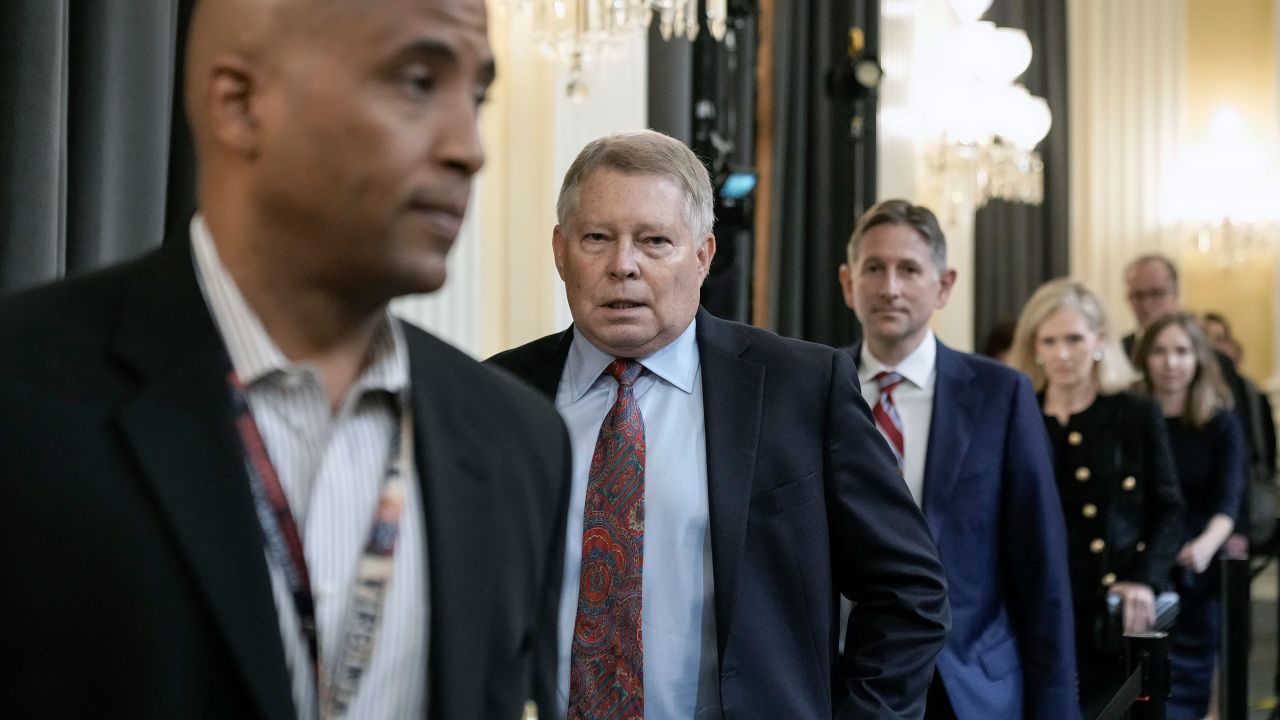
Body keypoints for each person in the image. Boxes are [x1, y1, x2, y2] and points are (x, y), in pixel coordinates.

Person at [0, 0, 571, 718]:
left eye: (476, 95)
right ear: (241, 104)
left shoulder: (519, 442)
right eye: (419, 82)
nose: (471, 146)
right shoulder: (24, 394)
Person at [490, 131, 949, 719]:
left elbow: (908, 592)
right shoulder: (498, 396)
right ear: (560, 250)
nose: (623, 265)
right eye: (597, 238)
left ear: (703, 255)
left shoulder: (800, 388)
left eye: (655, 241)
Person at [837, 199, 1077, 720]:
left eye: (909, 269)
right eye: (874, 268)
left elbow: (1041, 567)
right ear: (847, 283)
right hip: (847, 685)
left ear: (943, 285)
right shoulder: (814, 389)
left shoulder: (1001, 395)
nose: (890, 287)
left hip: (970, 685)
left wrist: (1058, 708)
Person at [1010, 278, 1184, 719]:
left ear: (1099, 341)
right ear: (1035, 347)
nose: (1063, 353)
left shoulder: (1134, 412)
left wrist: (1145, 577)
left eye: (1074, 338)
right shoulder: (1018, 411)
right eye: (1049, 340)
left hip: (1113, 609)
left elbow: (1169, 507)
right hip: (1033, 603)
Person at [1132, 312, 1245, 720]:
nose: (1170, 362)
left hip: (1197, 562)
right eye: (1160, 351)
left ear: (1198, 358)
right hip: (1143, 562)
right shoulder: (1131, 414)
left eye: (1181, 351)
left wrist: (1204, 547)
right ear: (1145, 359)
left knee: (1192, 681)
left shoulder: (1220, 421)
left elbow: (1228, 503)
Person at [1122, 255, 1265, 550]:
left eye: (1157, 294)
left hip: (1205, 525)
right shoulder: (1116, 353)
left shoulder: (1218, 362)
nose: (1147, 304)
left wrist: (1238, 527)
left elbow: (1240, 452)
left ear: (1176, 294)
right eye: (1138, 295)